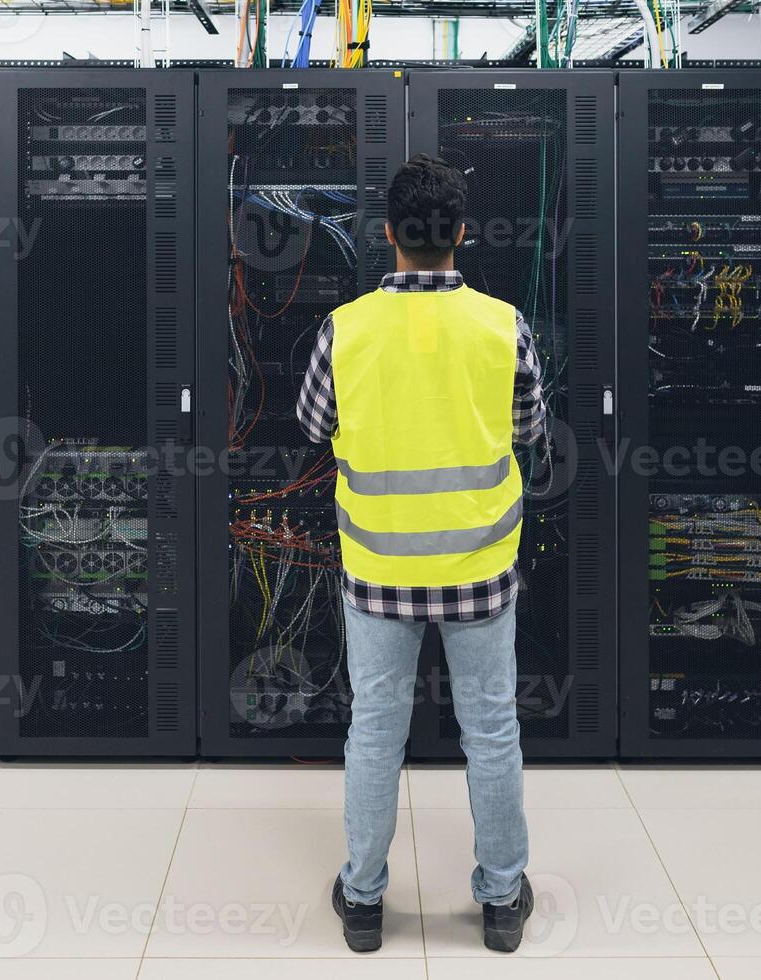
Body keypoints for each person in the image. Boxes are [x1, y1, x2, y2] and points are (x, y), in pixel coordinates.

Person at [296, 153, 547, 954]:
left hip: (378, 569)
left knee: (374, 732)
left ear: (388, 236)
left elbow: (310, 426)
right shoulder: (503, 323)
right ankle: (502, 901)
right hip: (479, 566)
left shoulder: (347, 328)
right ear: (461, 233)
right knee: (492, 731)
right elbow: (532, 430)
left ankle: (363, 902)